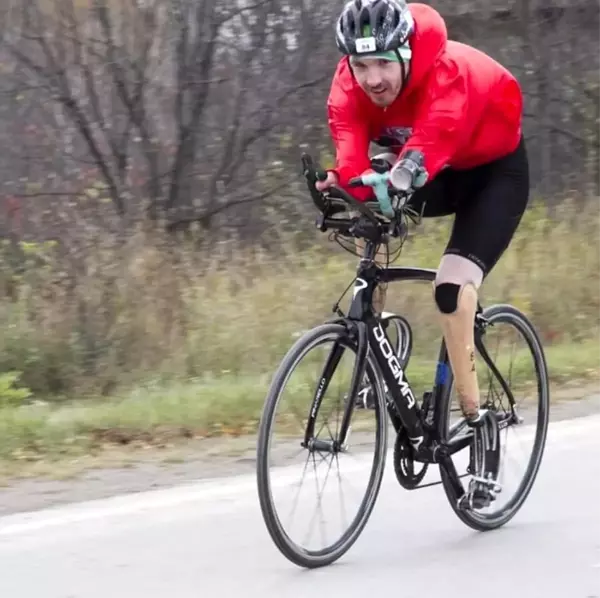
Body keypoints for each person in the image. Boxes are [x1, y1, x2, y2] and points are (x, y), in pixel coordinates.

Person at [315, 0, 529, 424]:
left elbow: (433, 139)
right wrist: (342, 181)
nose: (372, 80)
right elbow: (350, 149)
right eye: (361, 66)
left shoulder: (445, 72)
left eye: (382, 63)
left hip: (492, 177)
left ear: (406, 53)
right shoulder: (347, 86)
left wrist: (399, 175)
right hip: (430, 171)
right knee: (365, 203)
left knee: (450, 290)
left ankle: (474, 415)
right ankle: (375, 348)